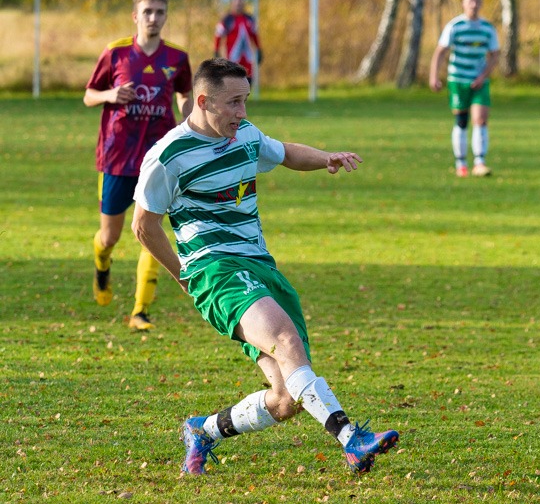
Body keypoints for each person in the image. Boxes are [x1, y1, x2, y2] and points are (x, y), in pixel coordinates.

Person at [130, 58, 399, 476]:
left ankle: (203, 431)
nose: (243, 112)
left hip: (260, 266)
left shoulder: (244, 135)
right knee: (285, 339)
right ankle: (352, 439)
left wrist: (325, 157)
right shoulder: (168, 157)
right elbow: (144, 227)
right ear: (203, 101)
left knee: (285, 398)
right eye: (234, 103)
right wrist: (184, 276)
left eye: (246, 101)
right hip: (215, 269)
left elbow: (285, 152)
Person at [84, 0, 193, 330]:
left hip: (158, 157)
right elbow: (89, 95)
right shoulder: (115, 52)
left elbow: (185, 94)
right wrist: (110, 94)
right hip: (117, 156)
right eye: (147, 11)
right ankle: (102, 265)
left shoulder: (177, 57)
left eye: (160, 12)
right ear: (136, 16)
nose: (154, 18)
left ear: (166, 16)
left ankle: (140, 310)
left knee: (150, 229)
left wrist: (191, 122)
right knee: (110, 237)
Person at [429, 0, 500, 178]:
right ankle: (461, 164)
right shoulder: (455, 25)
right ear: (463, 3)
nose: (474, 5)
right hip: (458, 79)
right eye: (470, 1)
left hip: (479, 80)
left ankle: (479, 162)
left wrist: (483, 75)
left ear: (481, 3)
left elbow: (495, 55)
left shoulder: (487, 28)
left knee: (481, 119)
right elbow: (440, 52)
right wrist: (434, 76)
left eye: (477, 1)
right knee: (462, 121)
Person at [213, 0, 262, 85]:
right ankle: (234, 99)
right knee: (233, 79)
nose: (239, 5)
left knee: (248, 80)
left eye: (241, 3)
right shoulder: (227, 19)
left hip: (247, 57)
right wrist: (216, 50)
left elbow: (255, 35)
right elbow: (218, 34)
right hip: (232, 57)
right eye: (237, 4)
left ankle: (244, 99)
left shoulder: (249, 19)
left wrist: (259, 49)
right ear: (232, 5)